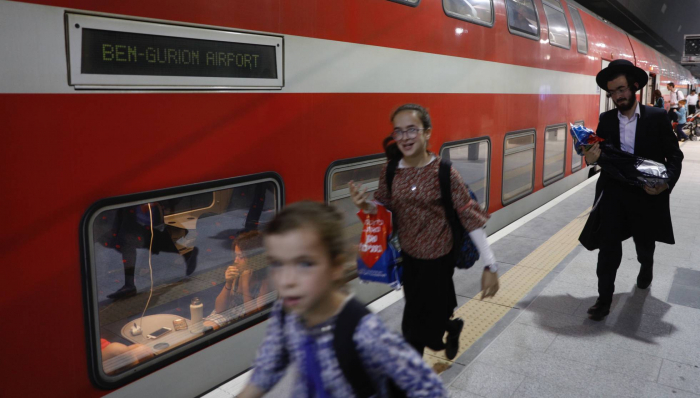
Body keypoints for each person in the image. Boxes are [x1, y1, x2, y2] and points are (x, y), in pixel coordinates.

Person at [237, 201, 447, 398]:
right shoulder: (286, 314)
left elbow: (429, 388)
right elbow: (267, 368)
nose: (286, 281)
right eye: (277, 264)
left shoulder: (364, 331)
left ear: (336, 267)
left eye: (305, 264)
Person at [348, 104, 499, 359]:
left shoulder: (445, 173)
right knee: (413, 328)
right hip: (409, 260)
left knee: (430, 329)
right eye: (398, 131)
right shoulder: (390, 171)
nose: (405, 137)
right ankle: (415, 373)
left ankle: (451, 327)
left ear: (427, 133)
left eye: (412, 130)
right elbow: (383, 207)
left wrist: (491, 266)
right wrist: (365, 206)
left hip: (440, 261)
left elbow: (470, 218)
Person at [581, 59, 683, 321]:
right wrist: (590, 159)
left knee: (644, 245)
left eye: (623, 89)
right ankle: (604, 300)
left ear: (634, 87)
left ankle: (646, 266)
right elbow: (601, 156)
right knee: (608, 249)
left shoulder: (657, 118)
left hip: (645, 195)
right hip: (614, 194)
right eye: (613, 91)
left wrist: (665, 183)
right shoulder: (606, 120)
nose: (619, 95)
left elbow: (675, 156)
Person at [204, 231, 271, 329]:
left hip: (245, 320)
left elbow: (254, 316)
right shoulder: (239, 271)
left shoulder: (265, 281)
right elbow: (219, 309)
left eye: (241, 257)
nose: (236, 260)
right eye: (235, 255)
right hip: (230, 314)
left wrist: (245, 285)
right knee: (205, 329)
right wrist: (228, 283)